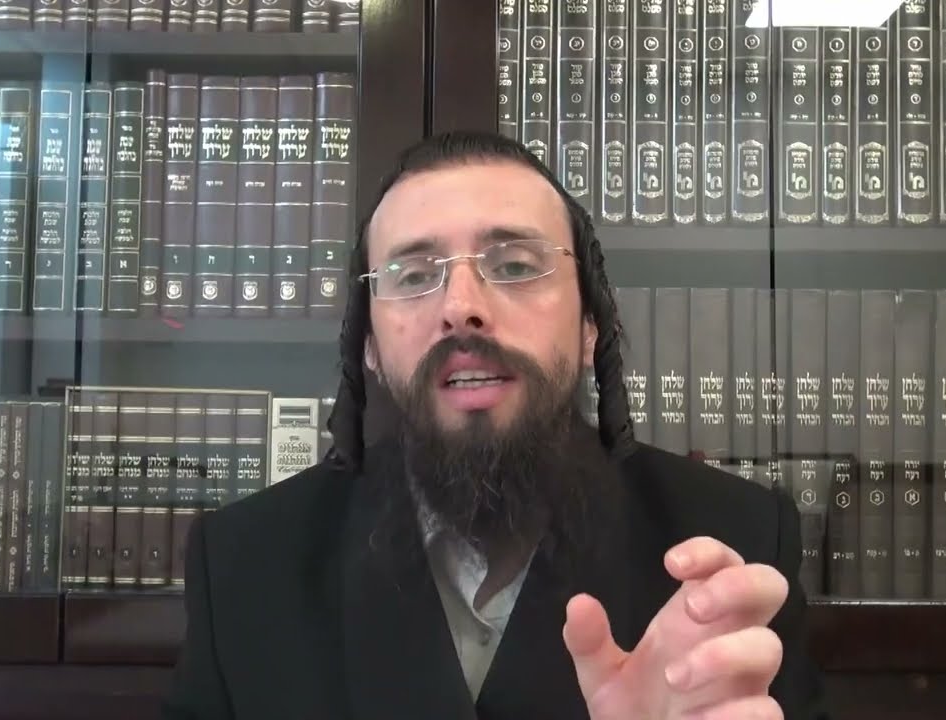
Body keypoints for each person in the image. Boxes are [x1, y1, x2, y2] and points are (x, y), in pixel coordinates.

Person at [163, 131, 830, 720]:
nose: (461, 307)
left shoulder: (732, 549)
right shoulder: (245, 565)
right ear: (369, 345)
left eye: (514, 266)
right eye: (413, 275)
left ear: (590, 324)